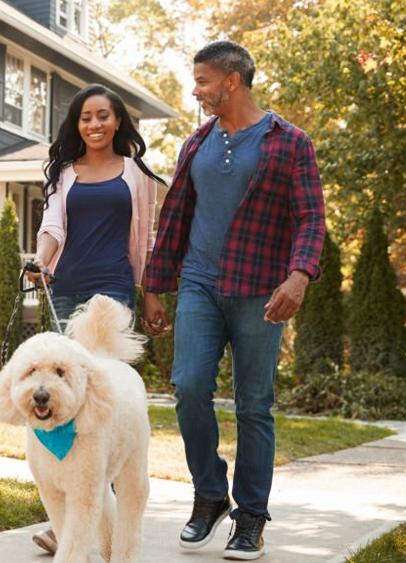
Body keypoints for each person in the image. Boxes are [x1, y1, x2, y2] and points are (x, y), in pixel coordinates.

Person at [142, 41, 326, 560]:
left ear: (232, 81)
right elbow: (175, 218)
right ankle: (209, 495)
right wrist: (155, 285)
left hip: (261, 290)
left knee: (253, 405)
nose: (195, 90)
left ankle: (250, 518)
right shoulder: (196, 142)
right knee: (189, 386)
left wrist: (299, 276)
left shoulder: (289, 142)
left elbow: (311, 217)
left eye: (202, 81)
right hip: (199, 283)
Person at [26, 83, 166, 555]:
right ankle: (71, 517)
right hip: (66, 286)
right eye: (86, 117)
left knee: (104, 401)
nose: (95, 124)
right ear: (77, 123)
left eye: (103, 115)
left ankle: (90, 511)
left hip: (115, 288)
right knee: (66, 401)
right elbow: (51, 227)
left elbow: (146, 240)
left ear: (119, 120)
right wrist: (40, 260)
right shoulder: (65, 173)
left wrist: (150, 294)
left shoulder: (136, 174)